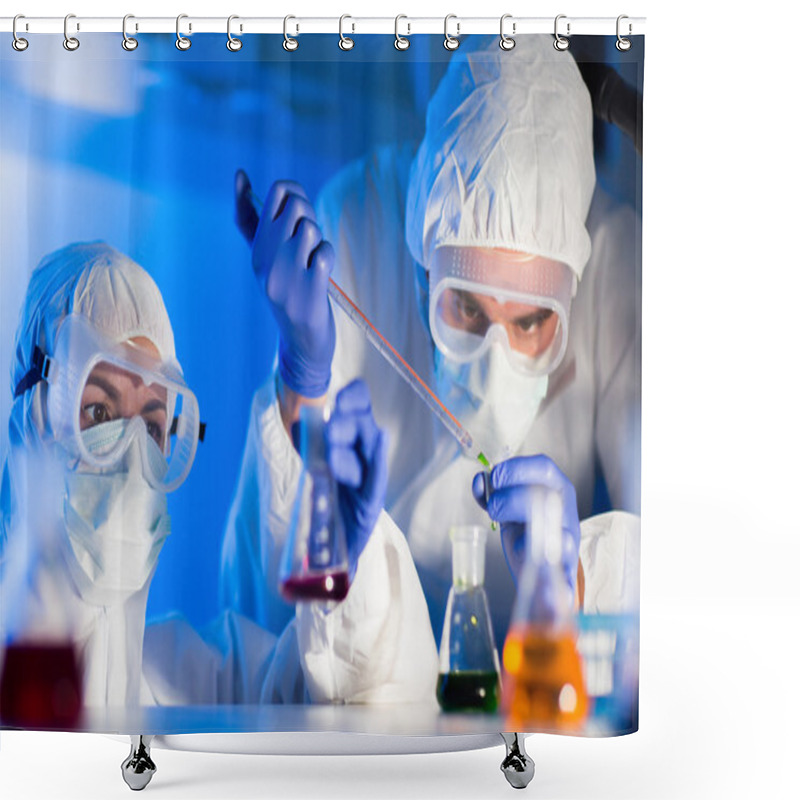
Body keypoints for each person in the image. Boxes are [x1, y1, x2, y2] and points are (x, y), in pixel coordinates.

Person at [222, 35, 641, 655]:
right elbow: (261, 620)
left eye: (530, 322)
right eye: (467, 307)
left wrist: (574, 579)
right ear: (421, 270)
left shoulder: (617, 259)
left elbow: (692, 578)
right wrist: (301, 379)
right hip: (368, 680)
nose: (496, 368)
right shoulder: (360, 222)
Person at [0, 241, 437, 712]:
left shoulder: (185, 684)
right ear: (33, 416)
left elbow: (370, 712)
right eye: (99, 411)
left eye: (151, 426)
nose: (131, 458)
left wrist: (352, 574)